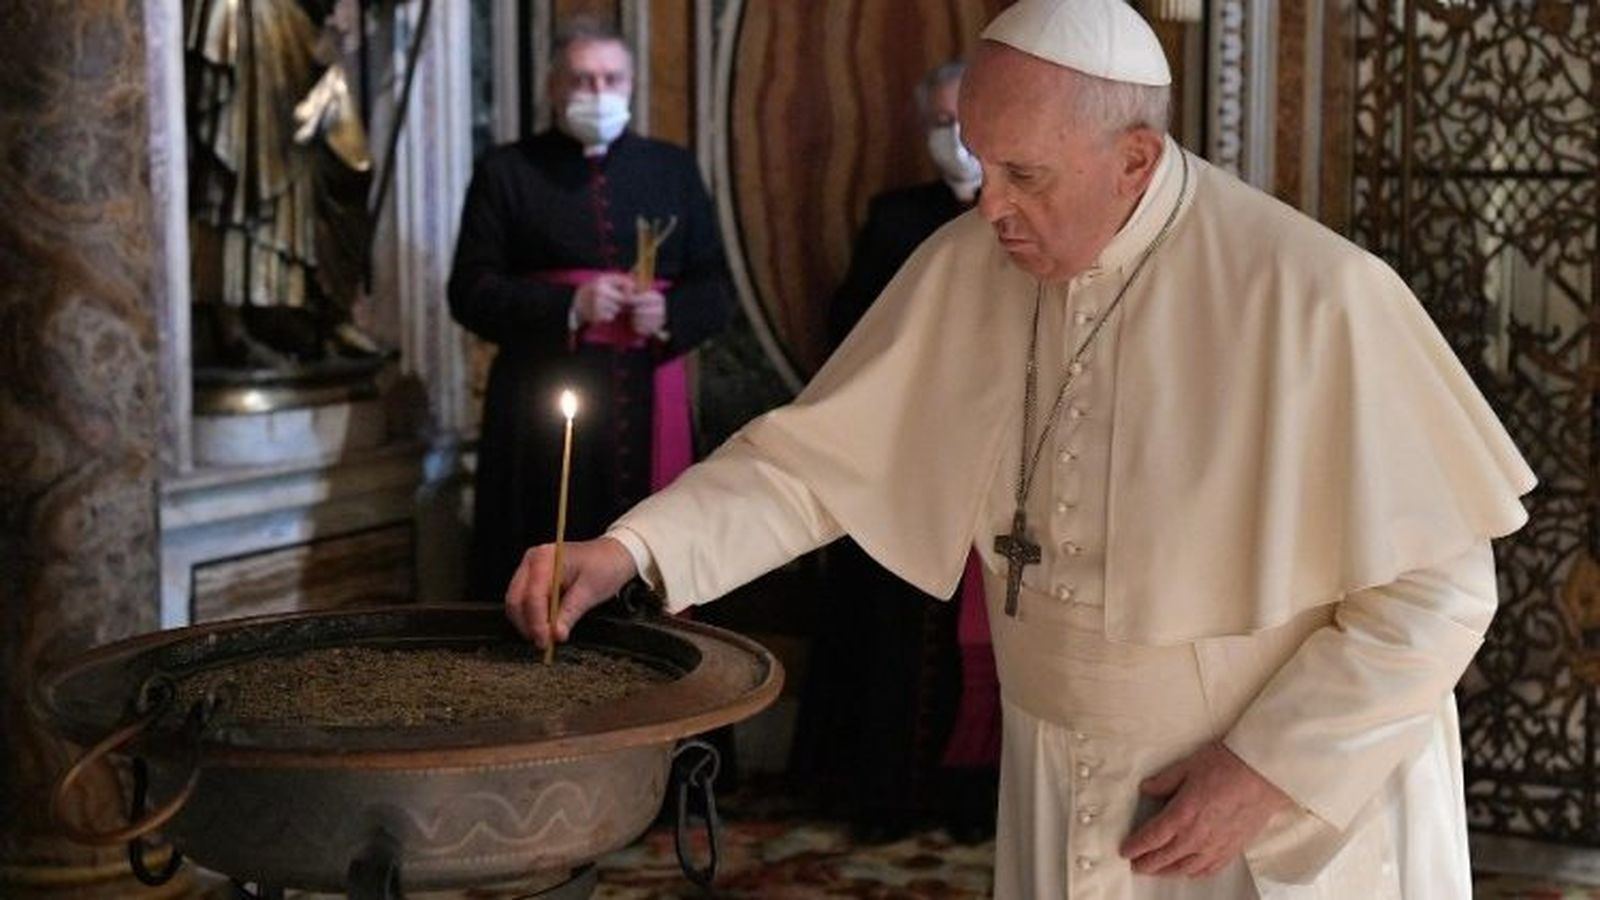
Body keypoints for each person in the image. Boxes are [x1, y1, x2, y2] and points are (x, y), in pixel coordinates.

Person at [504, 0, 1536, 896]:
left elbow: (1439, 593)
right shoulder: (972, 266)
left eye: (1024, 175)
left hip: (1269, 807)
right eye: (978, 160)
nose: (988, 205)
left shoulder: (1316, 296)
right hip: (1059, 770)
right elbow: (810, 466)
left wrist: (1268, 769)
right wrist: (632, 551)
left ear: (1133, 159)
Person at [448, 18, 734, 605]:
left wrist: (668, 315)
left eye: (610, 78)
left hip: (653, 397)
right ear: (553, 87)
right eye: (581, 79)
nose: (597, 93)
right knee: (540, 545)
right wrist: (568, 306)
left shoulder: (671, 169)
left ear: (630, 85)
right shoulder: (508, 170)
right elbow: (470, 291)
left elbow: (716, 287)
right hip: (538, 409)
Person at [796, 59, 998, 845]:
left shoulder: (1026, 215)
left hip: (998, 458)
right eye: (942, 124)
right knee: (898, 628)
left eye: (967, 124)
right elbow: (856, 331)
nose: (957, 140)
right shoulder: (897, 217)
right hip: (912, 457)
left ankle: (976, 797)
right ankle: (892, 789)